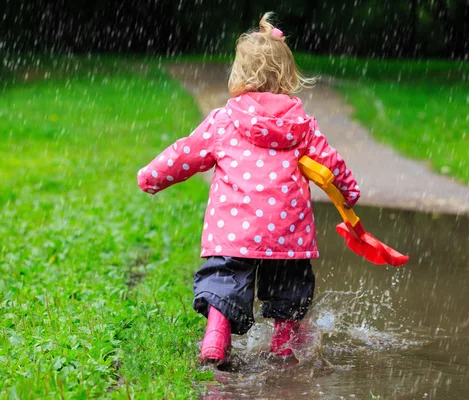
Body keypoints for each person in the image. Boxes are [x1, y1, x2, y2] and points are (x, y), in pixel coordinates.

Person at [137, 12, 360, 365]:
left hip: (234, 228)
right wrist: (349, 192)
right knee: (289, 287)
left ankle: (216, 333)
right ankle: (283, 343)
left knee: (224, 277)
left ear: (238, 75)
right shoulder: (301, 126)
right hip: (287, 232)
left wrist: (151, 176)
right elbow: (331, 166)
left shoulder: (223, 121)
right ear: (288, 76)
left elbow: (185, 153)